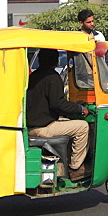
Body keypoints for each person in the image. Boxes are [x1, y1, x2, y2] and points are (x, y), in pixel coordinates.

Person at [26, 48, 91, 180]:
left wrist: (72, 105)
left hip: (32, 125)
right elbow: (58, 104)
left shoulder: (34, 76)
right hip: (42, 127)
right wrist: (80, 109)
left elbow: (51, 102)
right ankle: (75, 168)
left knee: (67, 123)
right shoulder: (52, 77)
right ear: (56, 61)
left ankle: (65, 164)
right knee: (82, 127)